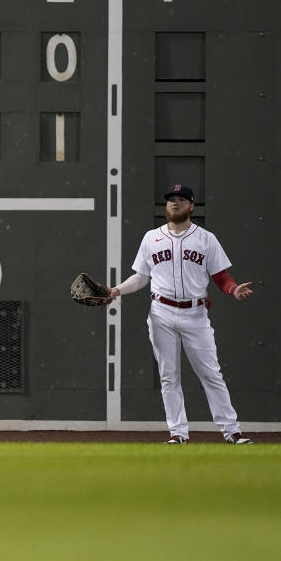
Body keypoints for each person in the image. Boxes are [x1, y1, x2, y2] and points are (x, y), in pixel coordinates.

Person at [107, 184, 254, 444]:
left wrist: (233, 290)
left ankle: (232, 431)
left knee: (210, 374)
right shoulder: (151, 238)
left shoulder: (206, 239)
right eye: (171, 200)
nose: (175, 203)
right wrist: (116, 290)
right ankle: (178, 432)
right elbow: (141, 277)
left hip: (195, 314)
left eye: (181, 199)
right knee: (168, 376)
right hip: (161, 312)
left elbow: (220, 276)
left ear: (191, 206)